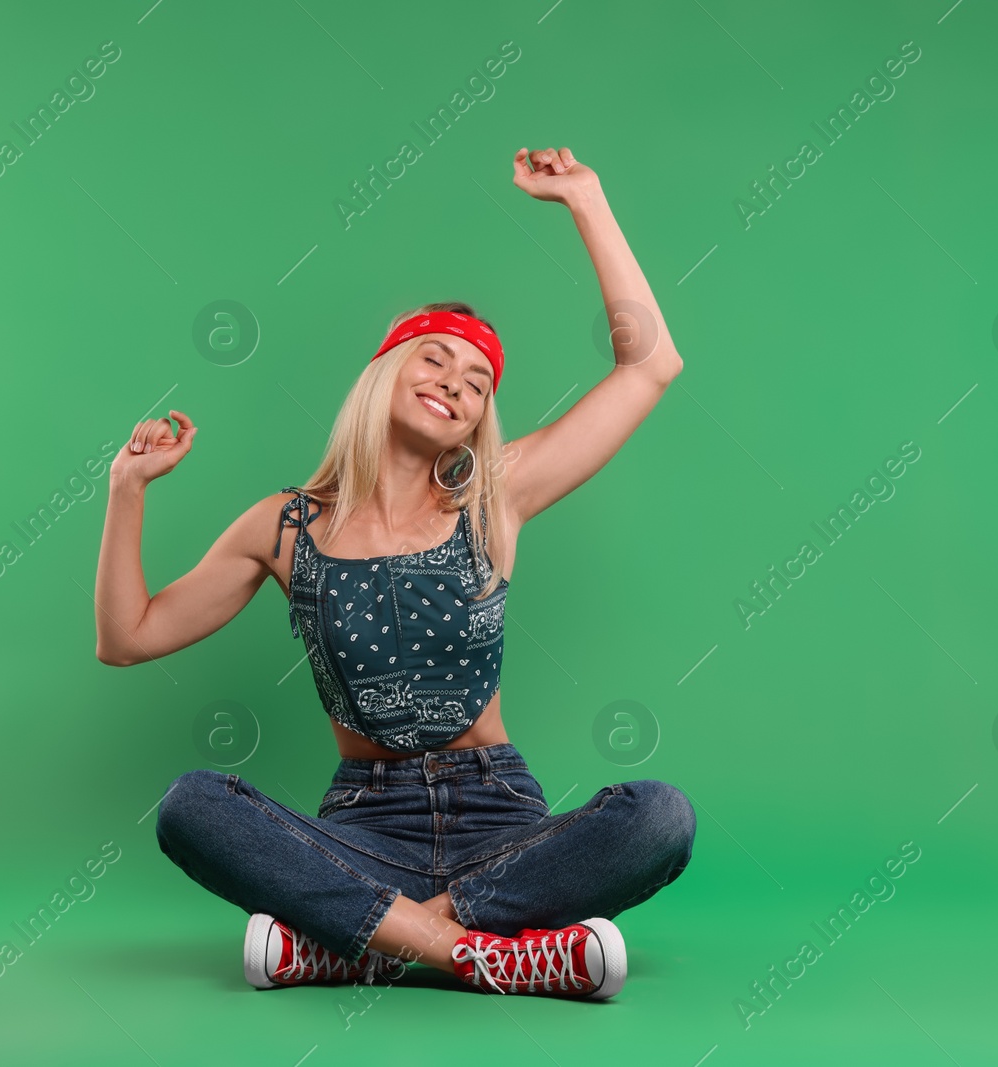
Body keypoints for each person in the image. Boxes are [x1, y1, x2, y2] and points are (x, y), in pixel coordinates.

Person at [94, 146, 693, 999]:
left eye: (478, 381)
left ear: (479, 420)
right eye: (436, 359)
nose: (455, 383)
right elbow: (127, 636)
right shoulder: (284, 525)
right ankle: (479, 949)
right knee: (192, 802)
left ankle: (363, 939)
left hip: (501, 822)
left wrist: (587, 200)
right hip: (363, 828)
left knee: (658, 815)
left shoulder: (495, 498)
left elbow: (649, 366)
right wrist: (127, 490)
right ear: (386, 371)